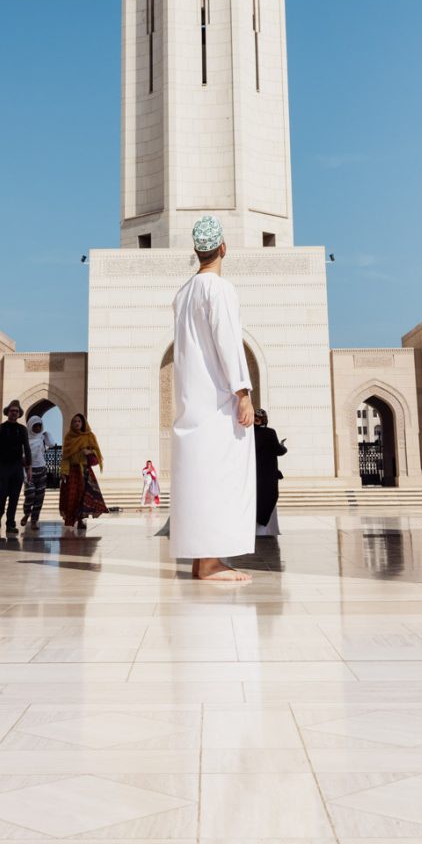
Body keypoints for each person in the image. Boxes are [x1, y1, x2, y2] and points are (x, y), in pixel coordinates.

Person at [171, 215, 255, 584]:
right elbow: (227, 340)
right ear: (223, 248)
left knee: (200, 481)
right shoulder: (218, 289)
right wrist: (243, 392)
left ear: (196, 250)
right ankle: (209, 563)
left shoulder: (184, 292)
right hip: (218, 402)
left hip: (193, 404)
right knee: (221, 480)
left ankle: (201, 559)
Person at [59, 412, 107, 532]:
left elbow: (97, 453)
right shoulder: (68, 437)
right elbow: (65, 457)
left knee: (83, 497)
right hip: (72, 472)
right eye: (74, 421)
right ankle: (71, 520)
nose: (77, 423)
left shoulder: (89, 436)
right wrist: (64, 472)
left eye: (79, 421)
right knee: (72, 497)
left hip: (85, 471)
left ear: (83, 423)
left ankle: (81, 520)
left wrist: (89, 452)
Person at [0, 399, 31, 533]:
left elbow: (27, 448)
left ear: (19, 414)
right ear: (8, 412)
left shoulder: (22, 429)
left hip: (17, 467)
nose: (14, 413)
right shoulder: (0, 428)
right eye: (12, 411)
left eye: (16, 411)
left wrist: (29, 467)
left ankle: (10, 523)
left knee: (14, 496)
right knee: (1, 495)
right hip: (4, 467)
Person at [253, 407, 287, 535]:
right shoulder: (269, 433)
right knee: (270, 497)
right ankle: (262, 527)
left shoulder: (247, 433)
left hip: (253, 475)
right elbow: (279, 450)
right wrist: (283, 446)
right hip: (267, 474)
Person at [22, 416, 51, 528]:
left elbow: (52, 444)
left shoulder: (42, 438)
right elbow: (22, 457)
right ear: (30, 426)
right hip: (29, 470)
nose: (38, 428)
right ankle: (26, 513)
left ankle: (34, 520)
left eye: (40, 425)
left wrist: (47, 434)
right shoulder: (25, 440)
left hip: (41, 470)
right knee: (30, 494)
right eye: (35, 426)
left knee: (39, 497)